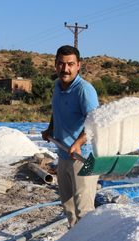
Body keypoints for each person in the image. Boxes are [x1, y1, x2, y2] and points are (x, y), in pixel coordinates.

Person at [42, 45, 99, 227]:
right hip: (64, 154)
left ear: (78, 65)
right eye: (61, 64)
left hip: (84, 157)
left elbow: (94, 122)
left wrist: (79, 142)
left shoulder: (84, 90)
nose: (65, 69)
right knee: (69, 208)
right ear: (55, 65)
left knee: (84, 211)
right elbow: (56, 112)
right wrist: (50, 129)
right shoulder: (57, 87)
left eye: (70, 64)